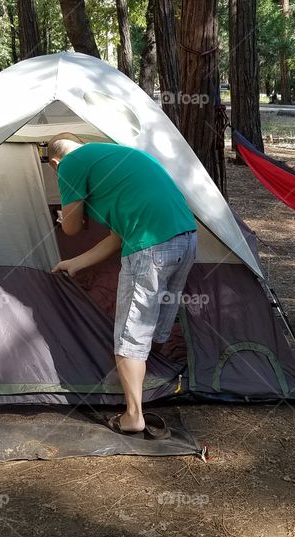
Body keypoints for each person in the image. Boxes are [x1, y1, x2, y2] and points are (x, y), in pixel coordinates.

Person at [48, 133, 197, 435]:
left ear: (54, 162)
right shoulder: (115, 157)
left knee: (130, 336)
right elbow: (118, 237)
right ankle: (147, 383)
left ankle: (133, 416)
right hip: (186, 239)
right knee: (152, 326)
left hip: (149, 249)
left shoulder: (69, 164)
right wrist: (75, 263)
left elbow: (72, 228)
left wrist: (68, 209)